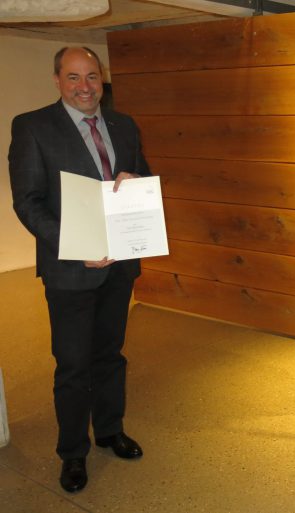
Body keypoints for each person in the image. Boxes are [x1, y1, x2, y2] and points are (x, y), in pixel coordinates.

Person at [8, 47, 151, 492]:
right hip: (71, 269)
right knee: (72, 366)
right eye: (73, 78)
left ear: (102, 78)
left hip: (119, 264)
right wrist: (76, 245)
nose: (85, 87)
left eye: (92, 76)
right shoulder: (32, 126)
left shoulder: (123, 124)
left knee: (110, 355)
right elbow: (27, 203)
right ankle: (73, 452)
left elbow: (143, 177)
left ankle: (109, 430)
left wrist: (135, 181)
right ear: (57, 80)